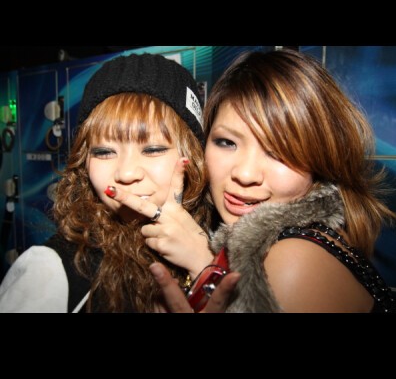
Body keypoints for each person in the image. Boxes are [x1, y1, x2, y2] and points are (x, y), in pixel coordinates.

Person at [113, 49, 396, 313]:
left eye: (279, 152)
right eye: (227, 142)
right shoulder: (288, 236)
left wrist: (204, 265)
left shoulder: (294, 261)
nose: (245, 174)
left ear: (321, 159)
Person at [0, 52, 237, 313]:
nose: (126, 173)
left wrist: (205, 266)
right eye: (104, 152)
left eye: (153, 149)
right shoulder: (48, 271)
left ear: (192, 155)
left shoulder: (225, 249)